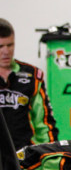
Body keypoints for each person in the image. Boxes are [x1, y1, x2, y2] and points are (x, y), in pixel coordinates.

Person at [0, 18, 59, 150]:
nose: (6, 51)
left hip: (24, 156)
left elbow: (44, 122)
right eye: (1, 46)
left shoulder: (33, 75)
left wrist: (50, 154)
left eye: (10, 45)